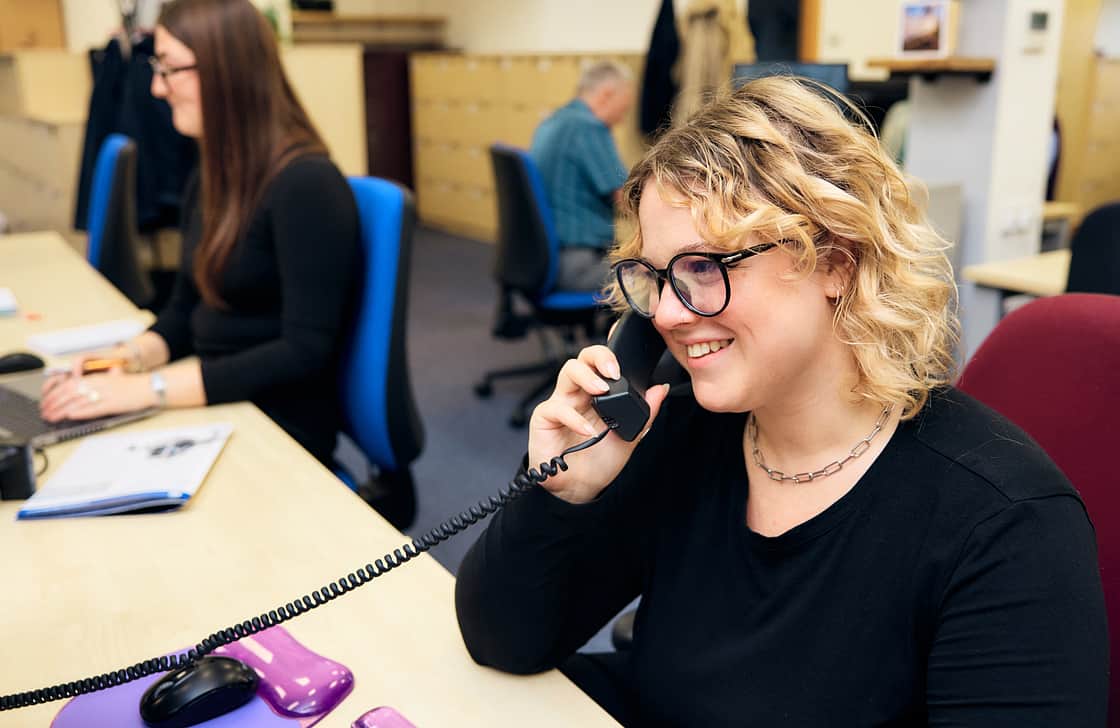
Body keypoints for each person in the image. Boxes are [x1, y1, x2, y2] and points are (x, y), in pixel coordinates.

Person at [455, 77, 1108, 726]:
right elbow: (503, 640)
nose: (667, 315)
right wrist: (562, 494)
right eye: (654, 277)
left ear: (836, 262)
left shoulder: (1006, 524)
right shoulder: (675, 432)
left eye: (705, 268)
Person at [40, 0, 360, 470]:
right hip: (218, 403)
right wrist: (124, 360)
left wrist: (147, 390)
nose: (156, 87)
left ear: (224, 72)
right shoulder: (213, 174)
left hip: (277, 429)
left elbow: (303, 352)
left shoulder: (307, 184)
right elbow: (185, 312)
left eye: (168, 69)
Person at [530, 60, 635, 291]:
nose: (622, 117)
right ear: (607, 95)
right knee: (656, 279)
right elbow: (626, 200)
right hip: (579, 263)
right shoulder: (588, 128)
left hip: (545, 259)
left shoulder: (553, 121)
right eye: (624, 108)